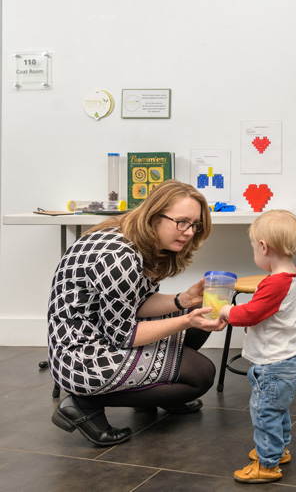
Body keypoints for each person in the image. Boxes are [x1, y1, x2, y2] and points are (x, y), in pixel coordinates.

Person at [48, 179, 227, 447]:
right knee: (201, 374)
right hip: (82, 358)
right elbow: (124, 336)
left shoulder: (131, 236)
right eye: (182, 222)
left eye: (194, 225)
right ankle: (84, 403)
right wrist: (185, 319)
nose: (189, 232)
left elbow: (135, 303)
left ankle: (156, 394)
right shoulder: (120, 257)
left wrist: (184, 300)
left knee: (196, 314)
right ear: (155, 215)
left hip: (103, 334)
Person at [218, 209, 296, 483]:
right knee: (277, 409)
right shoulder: (292, 274)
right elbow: (263, 308)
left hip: (273, 365)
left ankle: (268, 465)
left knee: (264, 412)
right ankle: (278, 451)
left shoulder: (274, 283)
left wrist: (226, 310)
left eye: (252, 247)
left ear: (263, 247)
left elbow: (250, 314)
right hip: (288, 359)